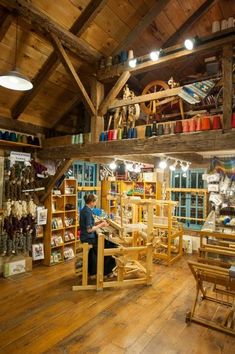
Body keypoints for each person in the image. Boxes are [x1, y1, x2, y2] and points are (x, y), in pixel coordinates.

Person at [79, 194, 116, 276]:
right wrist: (101, 225)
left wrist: (98, 223)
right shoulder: (87, 212)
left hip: (85, 236)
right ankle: (106, 272)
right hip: (87, 237)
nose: (96, 203)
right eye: (95, 202)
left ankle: (95, 270)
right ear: (91, 202)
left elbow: (88, 224)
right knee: (109, 247)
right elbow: (89, 229)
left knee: (106, 243)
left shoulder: (85, 209)